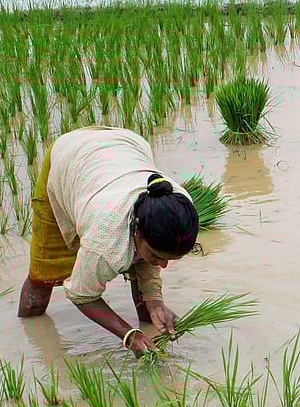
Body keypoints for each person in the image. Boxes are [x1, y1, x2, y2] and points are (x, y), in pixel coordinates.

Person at [18, 126, 199, 355]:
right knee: (43, 276)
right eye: (158, 257)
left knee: (148, 306)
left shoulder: (179, 204)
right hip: (70, 157)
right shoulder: (104, 241)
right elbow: (81, 294)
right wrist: (128, 334)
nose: (164, 266)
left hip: (127, 146)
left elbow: (149, 257)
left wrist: (155, 302)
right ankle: (28, 340)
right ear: (137, 232)